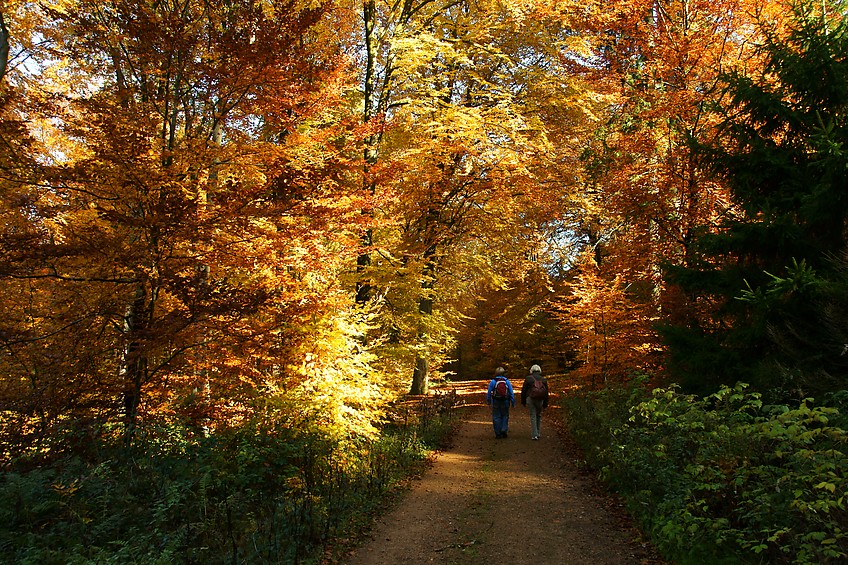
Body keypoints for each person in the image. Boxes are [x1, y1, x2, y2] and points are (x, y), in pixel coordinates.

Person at [521, 364, 549, 440]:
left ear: (531, 370)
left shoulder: (528, 379)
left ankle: (534, 435)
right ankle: (538, 432)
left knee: (533, 415)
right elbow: (546, 393)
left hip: (531, 399)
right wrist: (545, 403)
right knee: (539, 415)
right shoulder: (543, 379)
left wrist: (523, 401)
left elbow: (524, 391)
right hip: (540, 399)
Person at [486, 367, 515, 438]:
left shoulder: (493, 381)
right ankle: (504, 429)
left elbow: (489, 393)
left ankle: (498, 433)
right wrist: (512, 401)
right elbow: (511, 392)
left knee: (496, 416)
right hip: (505, 401)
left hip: (496, 401)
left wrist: (489, 401)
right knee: (505, 415)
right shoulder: (507, 381)